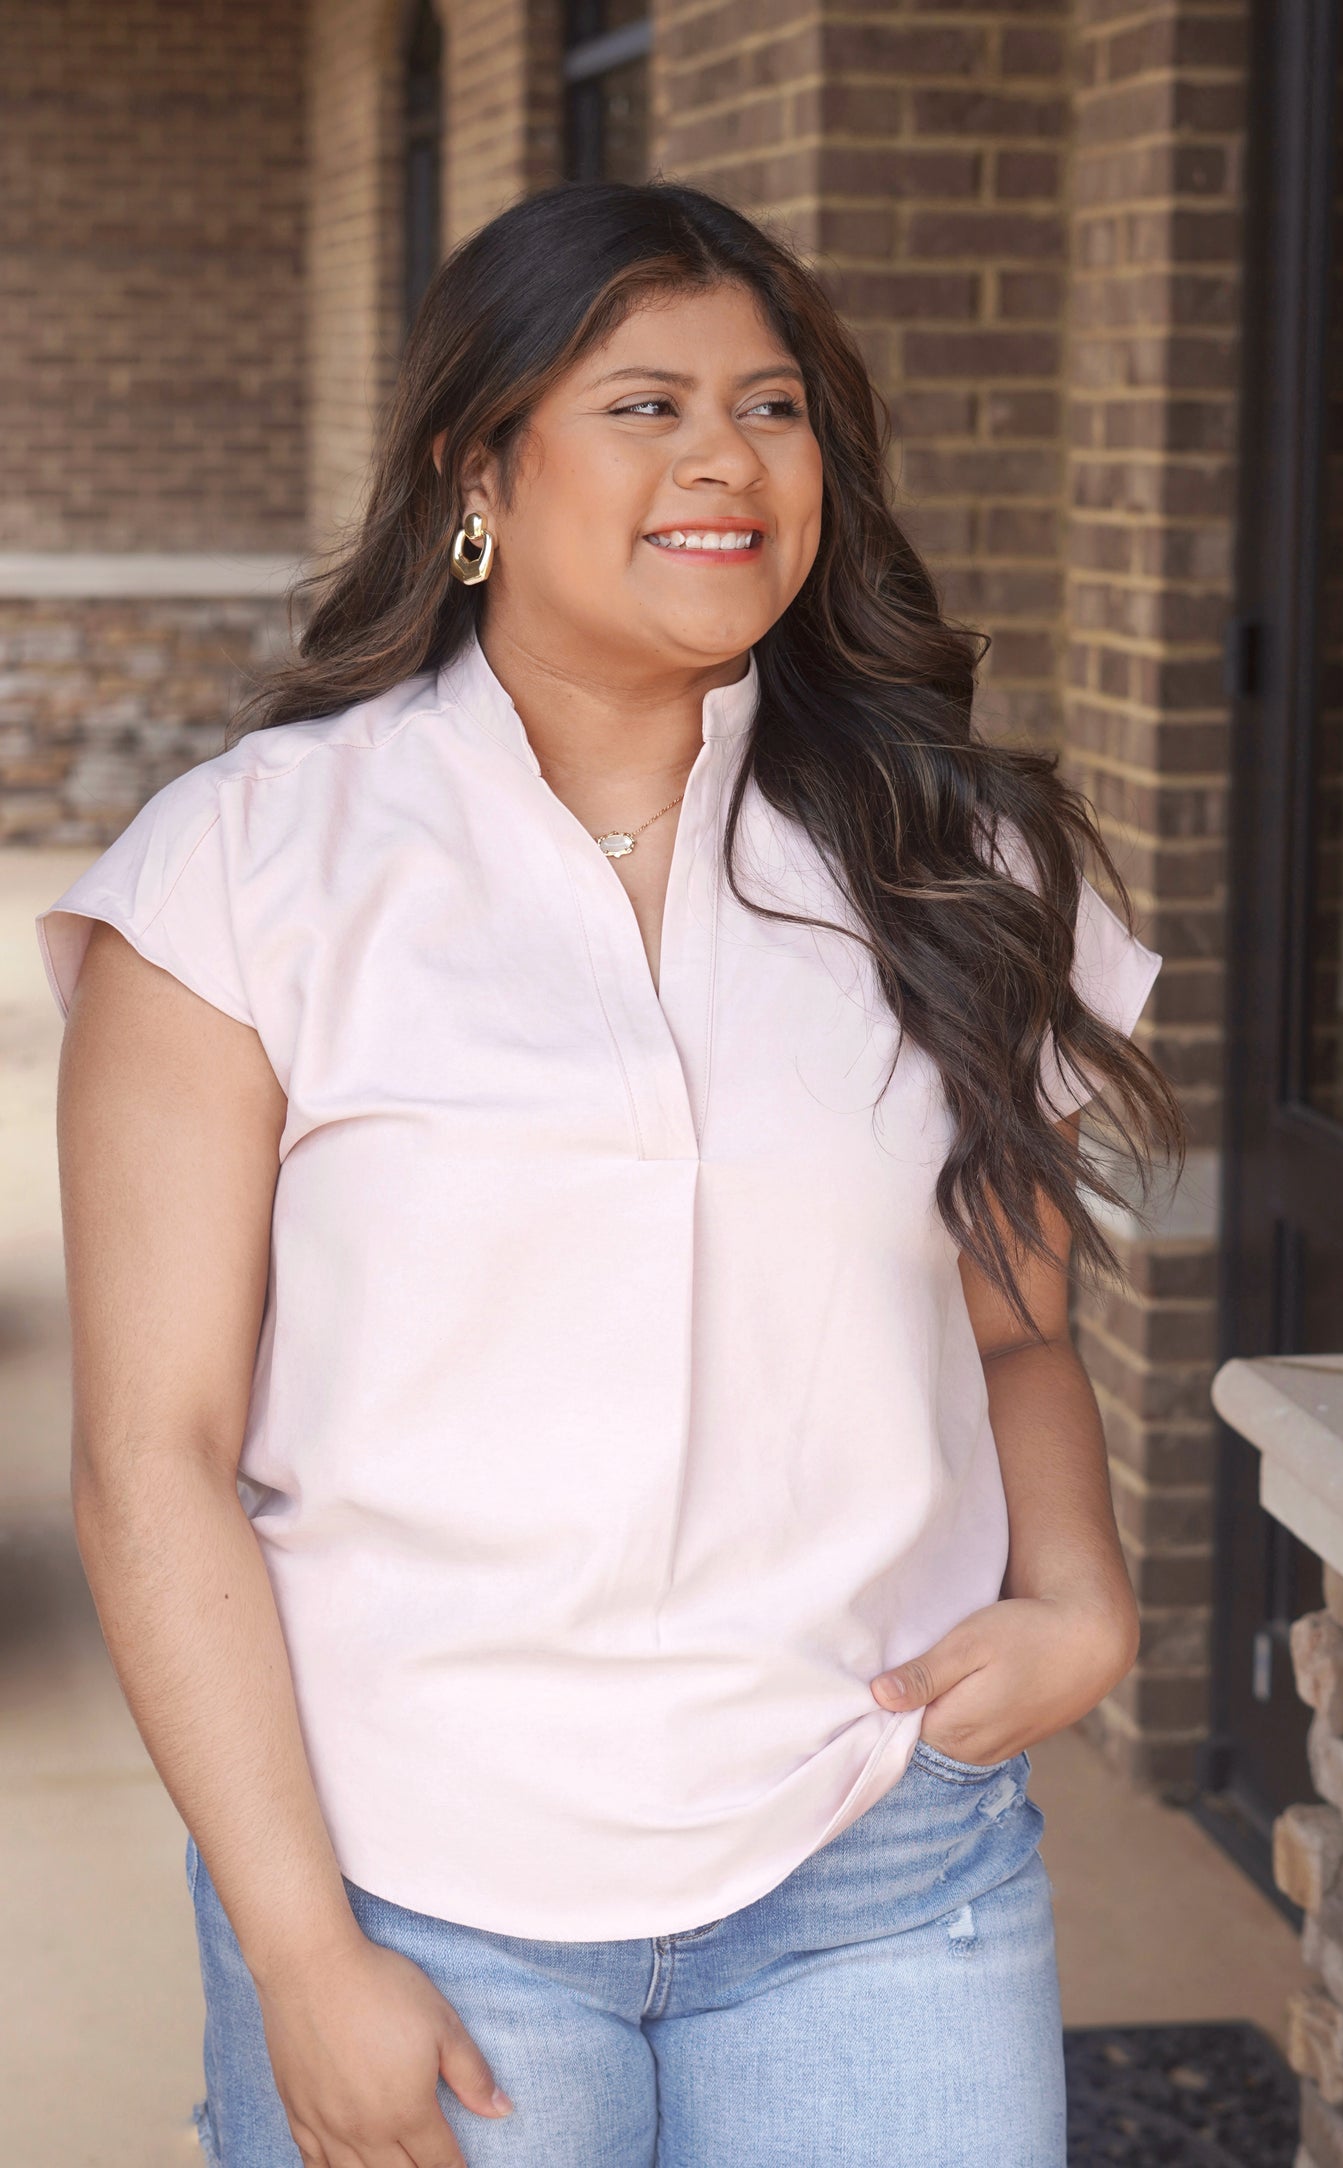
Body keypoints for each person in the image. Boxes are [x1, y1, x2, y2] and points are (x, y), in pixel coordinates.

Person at [38, 180, 1184, 2168]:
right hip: (416, 1885)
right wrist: (302, 1952)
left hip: (882, 1873)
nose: (726, 459)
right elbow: (154, 1456)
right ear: (475, 468)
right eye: (644, 405)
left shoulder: (949, 867)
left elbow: (1017, 1339)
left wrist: (1082, 1596)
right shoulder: (247, 875)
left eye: (775, 405)